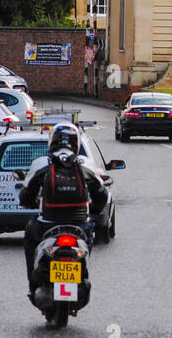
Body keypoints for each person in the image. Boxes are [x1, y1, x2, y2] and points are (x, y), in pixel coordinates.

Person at [18, 124, 106, 295]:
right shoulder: (85, 163)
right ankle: (82, 269)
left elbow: (26, 196)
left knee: (29, 236)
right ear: (77, 143)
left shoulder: (41, 163)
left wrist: (31, 202)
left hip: (47, 224)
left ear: (52, 142)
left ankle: (33, 284)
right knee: (87, 241)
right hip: (80, 225)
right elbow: (102, 195)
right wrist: (92, 211)